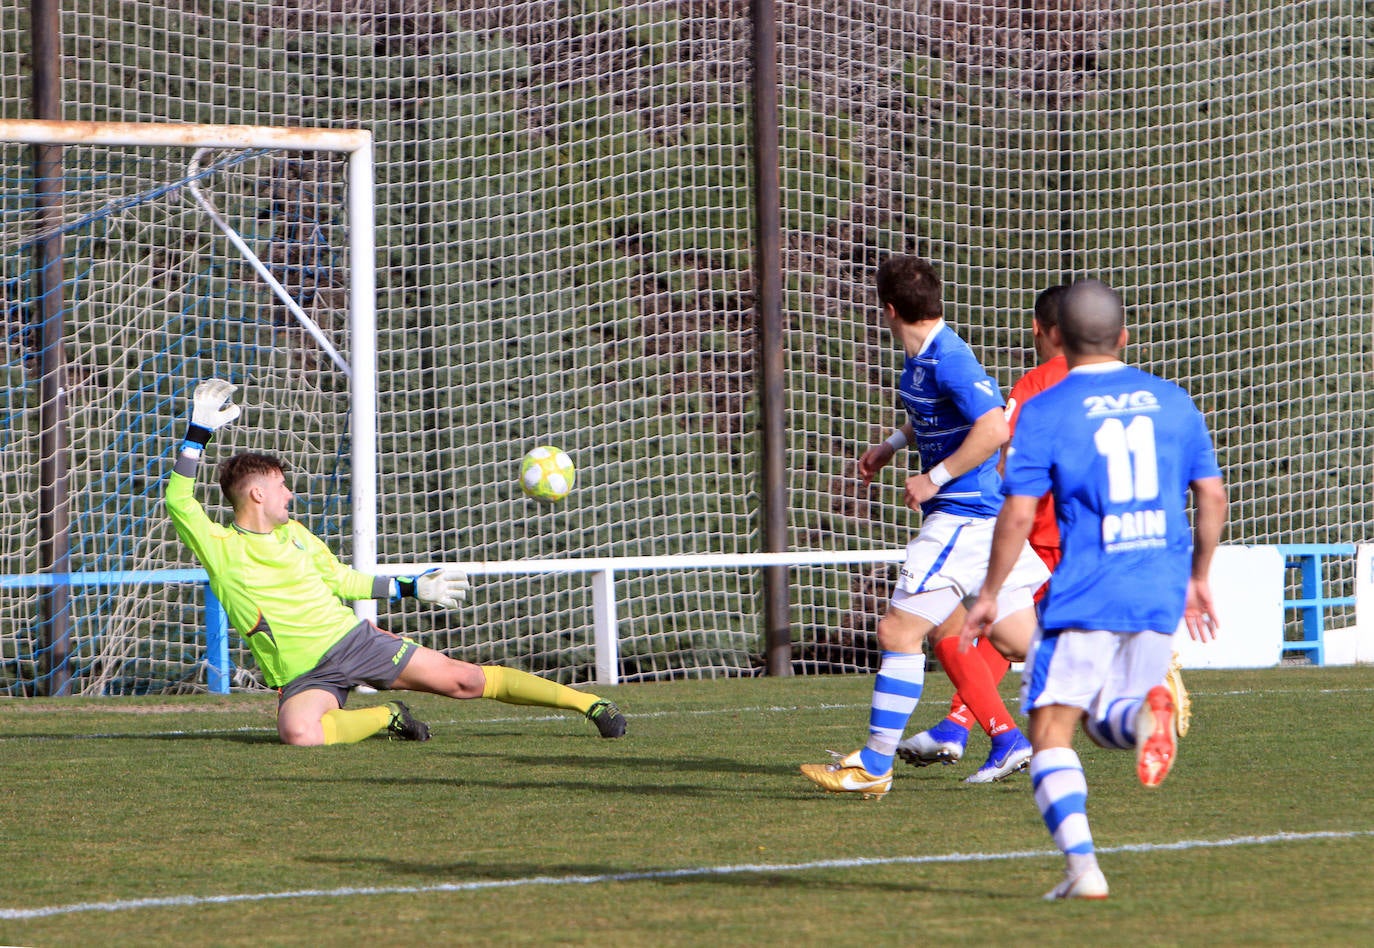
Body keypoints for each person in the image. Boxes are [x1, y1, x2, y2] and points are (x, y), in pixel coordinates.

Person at [165, 379, 627, 746]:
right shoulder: (220, 545)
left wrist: (412, 587)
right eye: (282, 484)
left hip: (353, 642)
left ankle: (589, 704)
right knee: (299, 733)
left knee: (462, 680)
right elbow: (179, 500)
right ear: (257, 492)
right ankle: (388, 717)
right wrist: (197, 434)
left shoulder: (296, 535)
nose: (290, 493)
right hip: (302, 674)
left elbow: (343, 580)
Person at [963, 279, 1226, 900]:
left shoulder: (1048, 410)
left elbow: (1020, 514)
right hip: (1159, 585)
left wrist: (991, 592)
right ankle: (1147, 713)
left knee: (1050, 729)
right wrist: (1199, 577)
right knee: (1107, 722)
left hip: (1086, 587)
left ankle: (1084, 871)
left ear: (1053, 336)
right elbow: (1210, 494)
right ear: (1124, 336)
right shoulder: (1173, 399)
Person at [800, 255, 1051, 798]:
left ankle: (873, 765)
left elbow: (994, 427)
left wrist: (934, 478)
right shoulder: (923, 358)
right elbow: (935, 417)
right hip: (979, 522)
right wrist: (890, 447)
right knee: (1018, 642)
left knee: (898, 632)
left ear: (888, 310)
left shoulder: (951, 358)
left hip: (963, 516)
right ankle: (1138, 669)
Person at [897, 284, 1069, 774]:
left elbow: (1001, 452)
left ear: (1040, 329)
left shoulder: (1033, 384)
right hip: (1084, 529)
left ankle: (1121, 685)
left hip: (1032, 526)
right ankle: (961, 728)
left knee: (973, 633)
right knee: (999, 636)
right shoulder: (1112, 383)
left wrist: (957, 488)